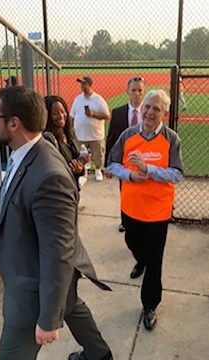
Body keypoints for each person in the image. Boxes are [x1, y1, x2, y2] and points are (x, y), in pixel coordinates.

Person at [0, 85, 113, 360]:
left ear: (14, 123)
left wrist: (47, 319)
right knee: (72, 305)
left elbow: (57, 252)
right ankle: (100, 356)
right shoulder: (32, 147)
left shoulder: (48, 176)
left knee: (10, 353)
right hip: (39, 273)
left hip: (33, 290)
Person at [107, 89, 183, 331]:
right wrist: (129, 174)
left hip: (158, 211)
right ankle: (142, 260)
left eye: (156, 109)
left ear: (164, 113)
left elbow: (177, 174)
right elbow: (112, 163)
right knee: (132, 242)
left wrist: (149, 169)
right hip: (131, 208)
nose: (150, 112)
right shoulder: (128, 135)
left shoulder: (171, 139)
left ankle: (150, 304)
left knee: (155, 260)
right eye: (147, 107)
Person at [105, 76, 146, 232]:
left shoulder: (148, 113)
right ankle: (125, 221)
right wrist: (108, 165)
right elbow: (111, 140)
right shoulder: (118, 112)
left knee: (143, 192)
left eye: (140, 90)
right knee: (126, 192)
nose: (136, 94)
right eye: (133, 90)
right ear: (127, 91)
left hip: (145, 160)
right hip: (125, 162)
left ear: (144, 92)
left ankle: (142, 220)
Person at [70, 75, 110, 181]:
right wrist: (70, 129)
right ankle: (85, 171)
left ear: (90, 85)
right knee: (81, 153)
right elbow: (72, 116)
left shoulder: (98, 99)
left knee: (97, 153)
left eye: (84, 84)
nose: (82, 86)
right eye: (81, 84)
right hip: (80, 134)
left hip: (95, 134)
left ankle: (97, 170)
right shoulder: (77, 99)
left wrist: (93, 114)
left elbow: (107, 116)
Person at [45, 95, 89, 189]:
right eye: (55, 113)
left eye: (62, 111)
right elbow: (55, 171)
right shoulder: (48, 140)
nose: (61, 116)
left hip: (71, 190)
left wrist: (80, 166)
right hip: (60, 192)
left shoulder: (67, 135)